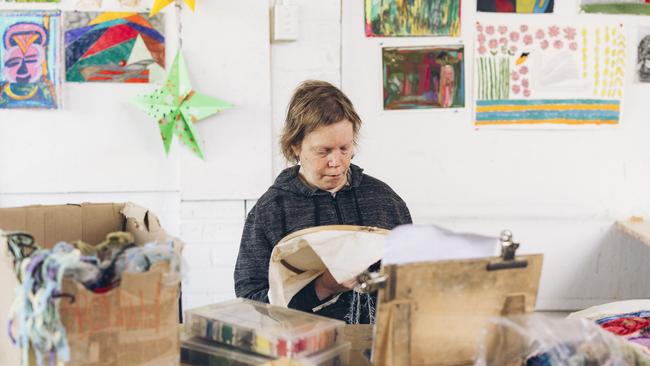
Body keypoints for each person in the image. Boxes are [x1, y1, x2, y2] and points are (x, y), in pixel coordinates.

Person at [234, 80, 411, 324]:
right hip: (305, 355)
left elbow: (414, 279)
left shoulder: (384, 199)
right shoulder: (271, 210)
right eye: (323, 151)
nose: (336, 162)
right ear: (295, 146)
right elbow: (250, 302)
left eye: (344, 148)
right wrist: (323, 287)